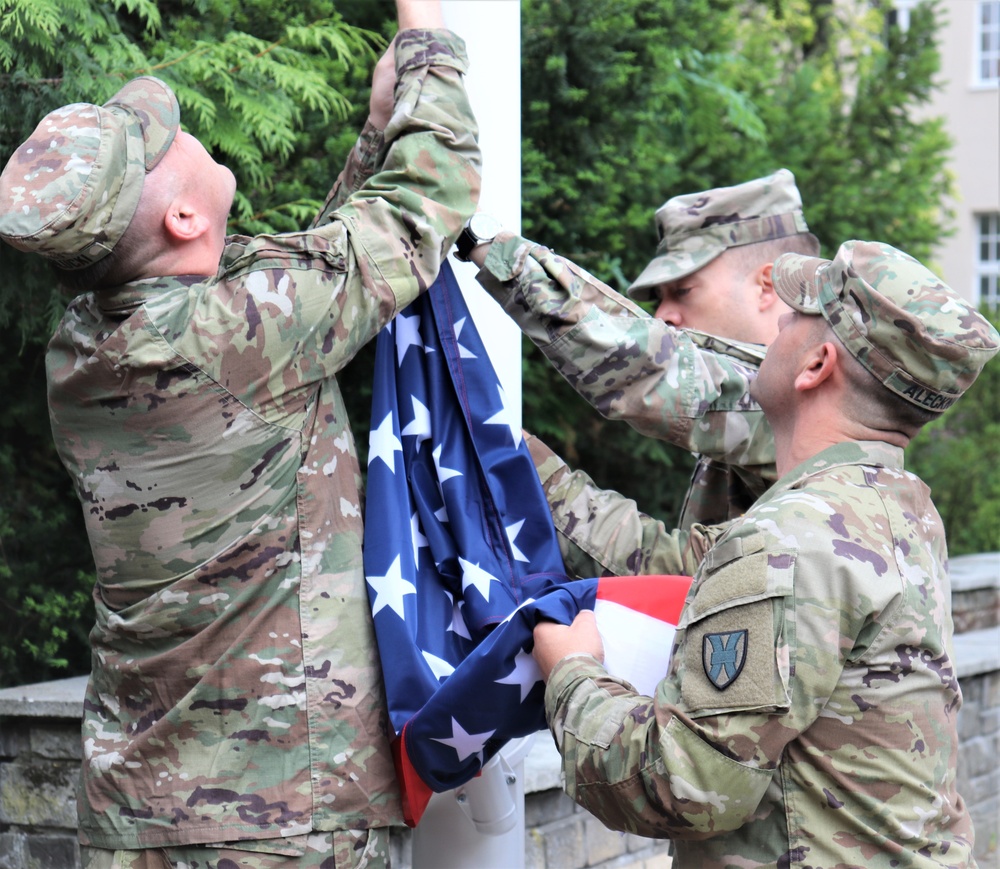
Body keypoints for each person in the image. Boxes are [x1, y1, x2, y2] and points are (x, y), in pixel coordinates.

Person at [0, 1, 480, 865]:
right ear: (183, 219)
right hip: (281, 821)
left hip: (136, 813)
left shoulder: (85, 347)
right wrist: (426, 41)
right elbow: (420, 208)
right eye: (165, 141)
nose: (180, 129)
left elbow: (308, 285)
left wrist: (376, 132)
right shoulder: (237, 333)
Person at [531, 240, 998, 867]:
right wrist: (524, 471)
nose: (778, 321)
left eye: (797, 315)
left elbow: (688, 786)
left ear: (816, 364)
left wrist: (573, 674)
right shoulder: (894, 507)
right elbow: (673, 560)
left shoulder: (788, 538)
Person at [462, 170, 818, 577]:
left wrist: (486, 242)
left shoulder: (801, 400)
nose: (664, 315)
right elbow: (688, 577)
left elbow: (651, 369)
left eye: (682, 290)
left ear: (766, 286)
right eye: (661, 298)